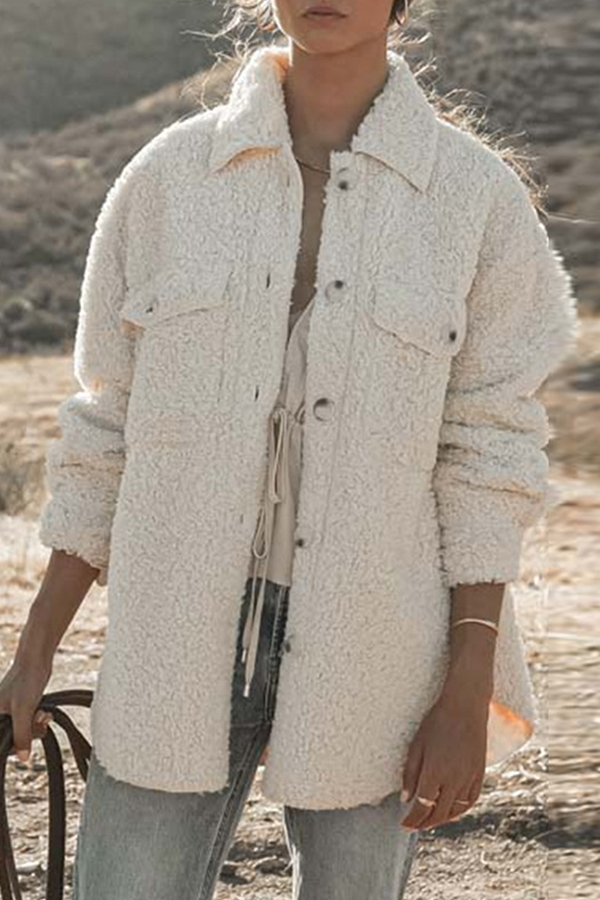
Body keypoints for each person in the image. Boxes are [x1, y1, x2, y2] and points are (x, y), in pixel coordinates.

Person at [0, 1, 578, 898]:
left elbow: (489, 456)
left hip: (380, 643)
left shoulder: (475, 201)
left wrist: (467, 689)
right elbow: (107, 424)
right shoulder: (170, 177)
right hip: (173, 632)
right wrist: (37, 646)